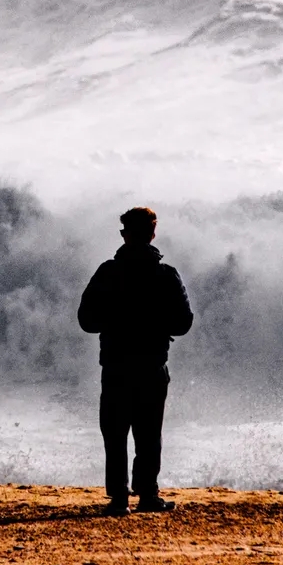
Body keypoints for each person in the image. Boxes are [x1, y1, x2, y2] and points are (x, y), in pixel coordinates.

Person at [77, 206, 193, 516]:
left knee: (115, 434)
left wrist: (116, 319)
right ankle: (147, 496)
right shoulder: (166, 275)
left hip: (115, 365)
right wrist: (154, 322)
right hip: (152, 365)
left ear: (124, 234)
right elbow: (183, 324)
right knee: (148, 433)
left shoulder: (108, 272)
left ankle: (118, 499)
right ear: (153, 233)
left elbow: (86, 320)